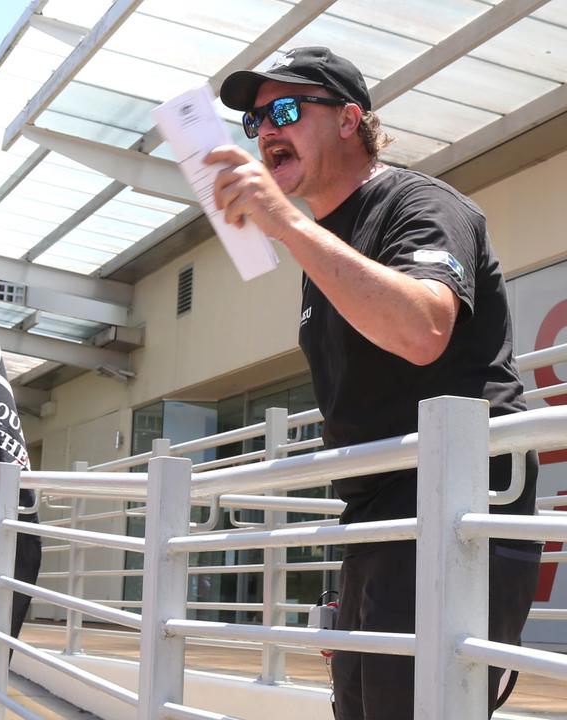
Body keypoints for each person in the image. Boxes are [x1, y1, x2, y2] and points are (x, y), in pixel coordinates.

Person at [211, 46, 541, 719]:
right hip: (375, 519)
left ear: (348, 119)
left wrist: (287, 225)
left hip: (452, 509)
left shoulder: (418, 203)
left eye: (285, 110)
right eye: (255, 122)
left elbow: (423, 330)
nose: (267, 131)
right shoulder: (322, 242)